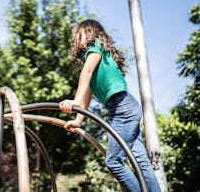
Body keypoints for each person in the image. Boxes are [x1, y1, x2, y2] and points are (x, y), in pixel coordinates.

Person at [59, 19, 161, 192]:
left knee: (114, 162)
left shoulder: (96, 47)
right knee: (141, 162)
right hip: (124, 109)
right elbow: (86, 97)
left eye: (79, 33)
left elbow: (87, 72)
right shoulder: (94, 60)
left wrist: (74, 101)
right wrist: (78, 120)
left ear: (90, 32)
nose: (76, 38)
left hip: (123, 109)